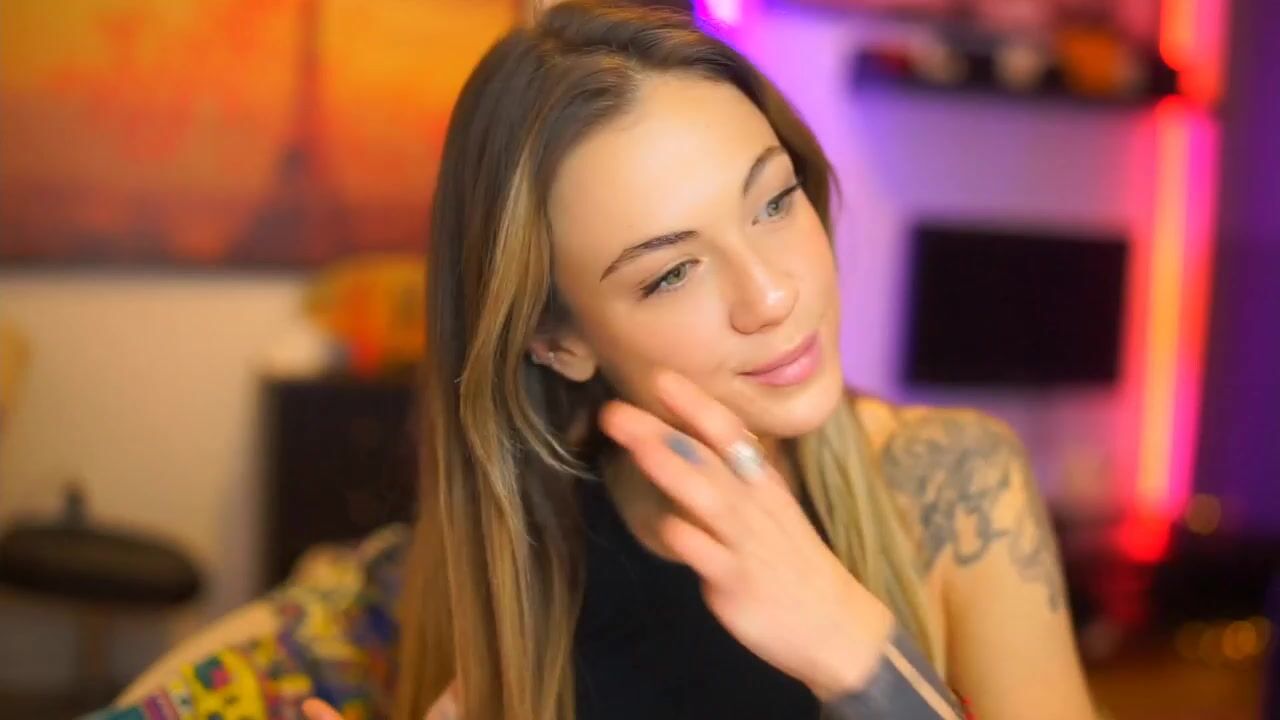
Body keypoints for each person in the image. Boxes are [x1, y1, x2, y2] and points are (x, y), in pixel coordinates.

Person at [91, 2, 1097, 719]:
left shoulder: (955, 490)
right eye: (671, 273)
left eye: (774, 200)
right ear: (557, 339)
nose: (772, 294)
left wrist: (864, 662)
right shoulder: (501, 560)